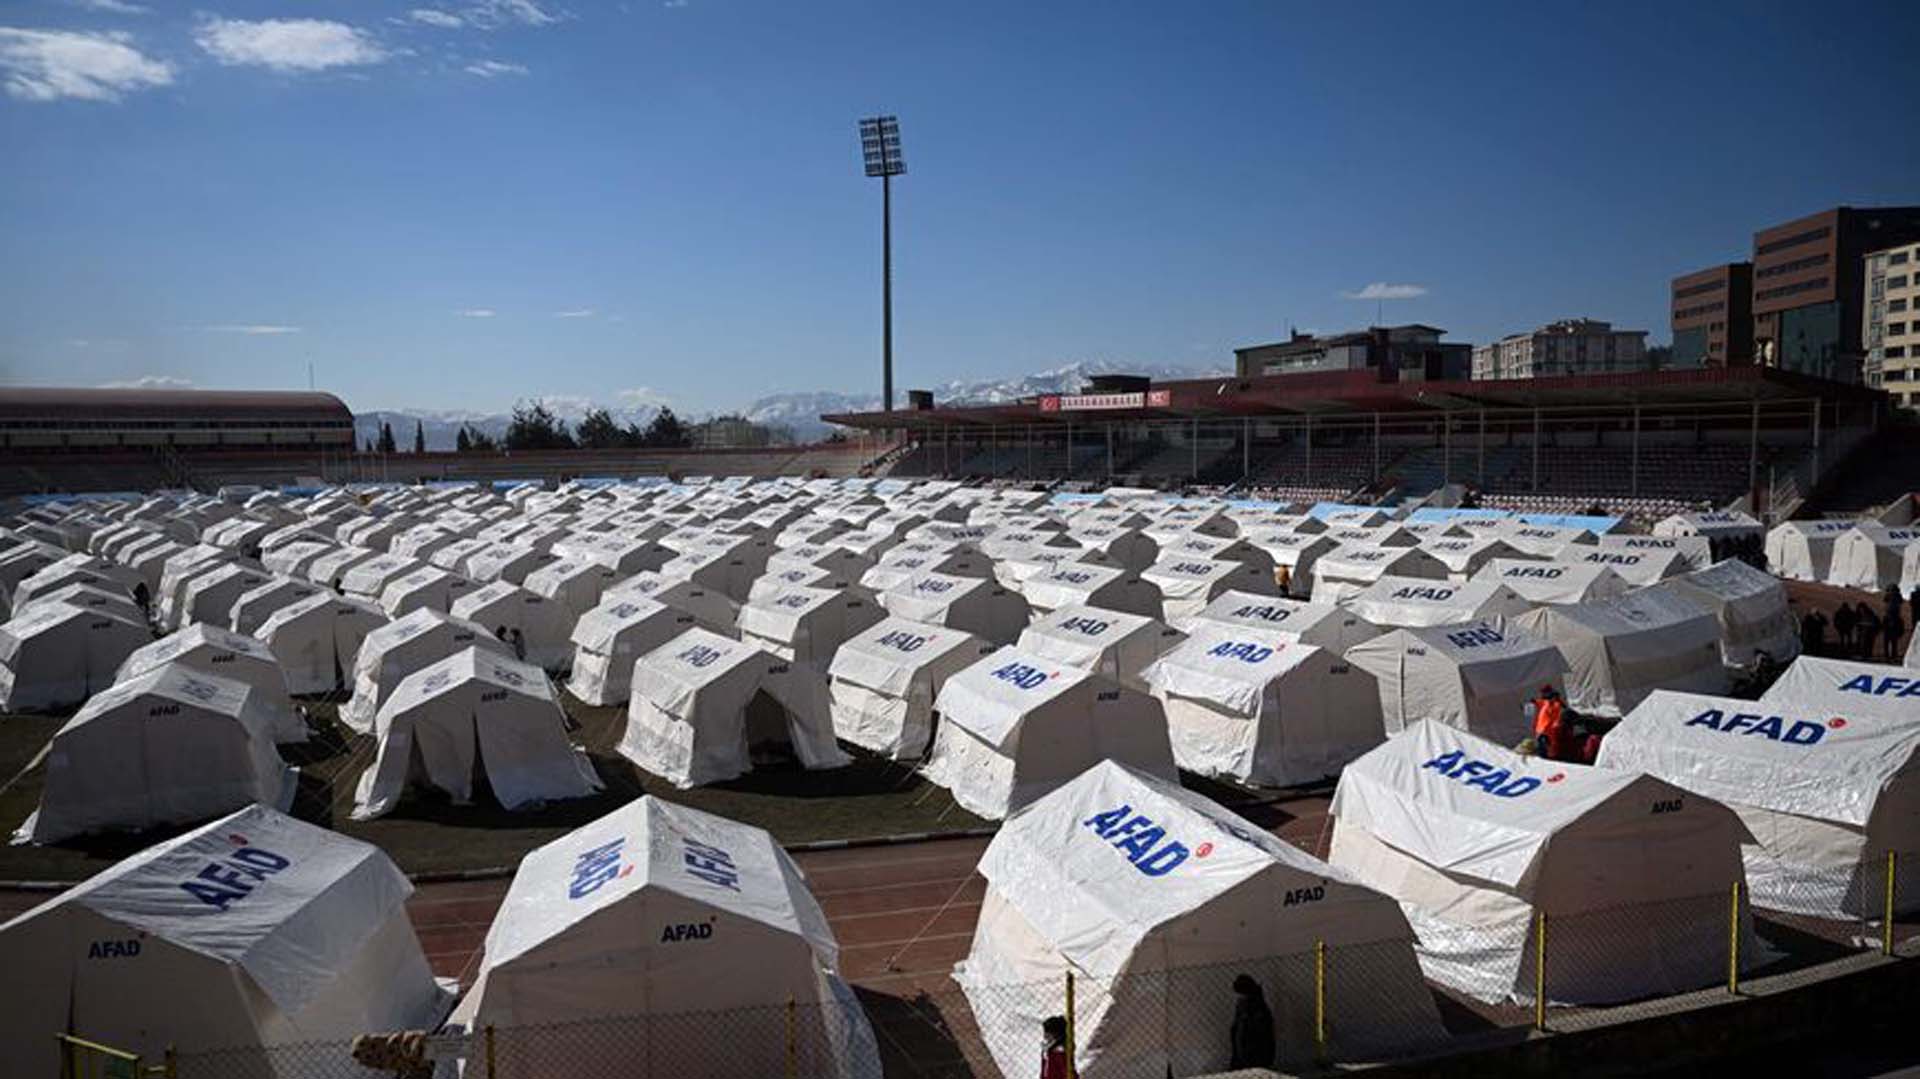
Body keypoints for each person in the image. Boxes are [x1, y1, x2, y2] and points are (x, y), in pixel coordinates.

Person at [1229, 973, 1276, 1070]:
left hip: (1253, 1051)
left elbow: (1261, 1031)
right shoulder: (1245, 1004)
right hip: (1246, 1048)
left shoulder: (1256, 1007)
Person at [1530, 685, 1568, 762]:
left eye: (1544, 693)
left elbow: (1556, 716)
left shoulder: (1555, 704)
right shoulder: (1545, 702)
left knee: (1545, 752)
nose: (1542, 695)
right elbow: (1539, 702)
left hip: (1547, 732)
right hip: (1541, 731)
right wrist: (1534, 701)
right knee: (1542, 749)